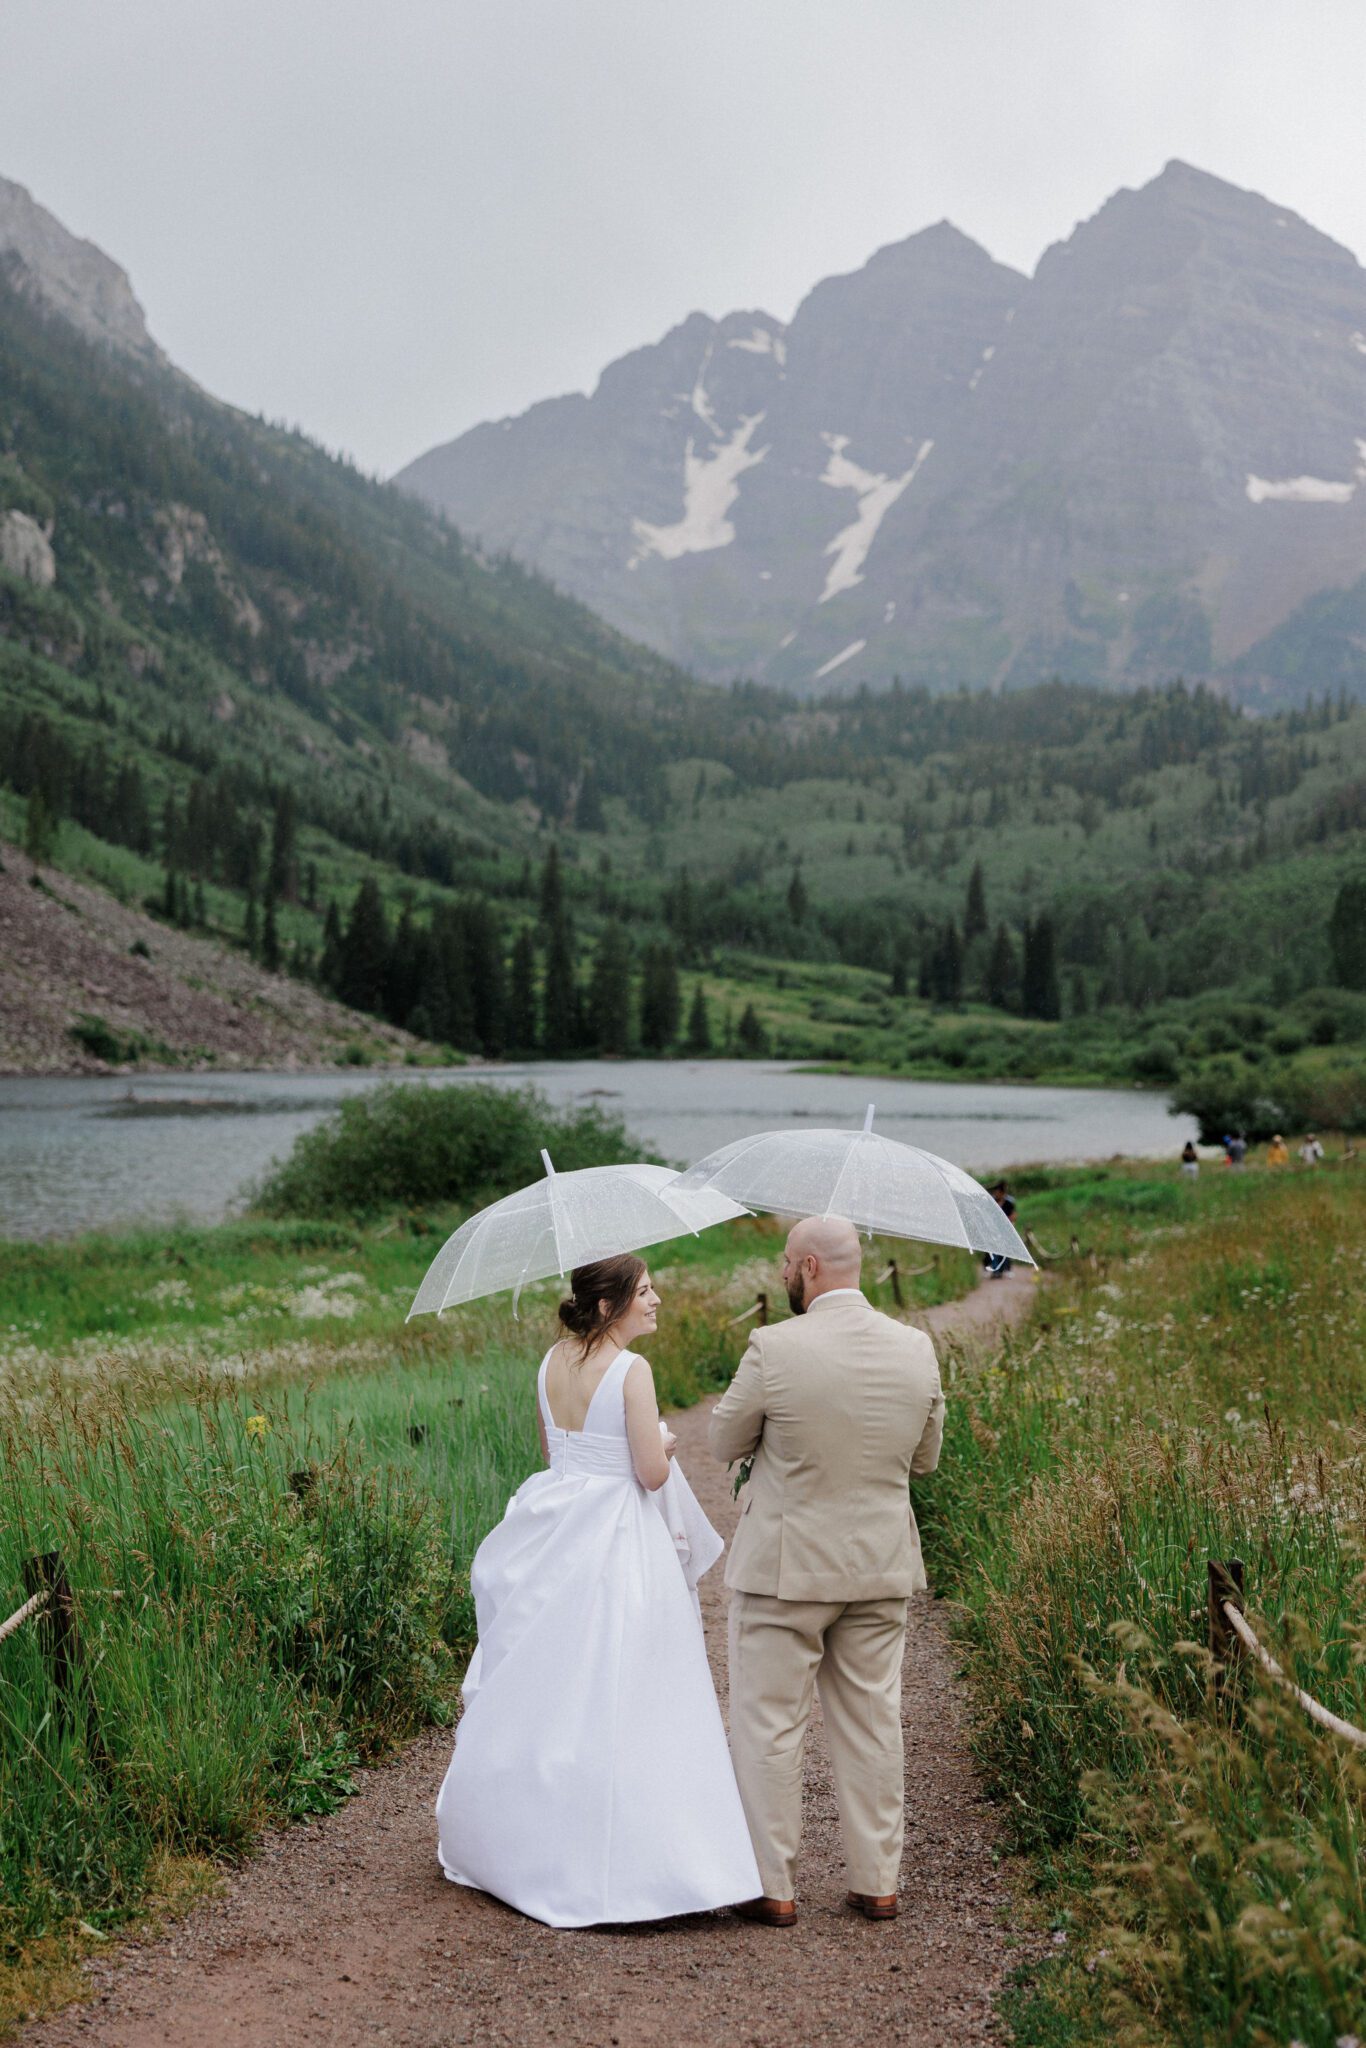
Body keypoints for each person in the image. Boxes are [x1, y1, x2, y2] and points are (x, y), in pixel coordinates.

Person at [436, 1254, 760, 1927]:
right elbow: (645, 1473)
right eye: (645, 1292)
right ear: (610, 1305)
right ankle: (645, 1861)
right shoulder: (632, 1370)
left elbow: (558, 1455)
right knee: (632, 1684)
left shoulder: (551, 1361)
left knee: (552, 1683)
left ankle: (530, 1837)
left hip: (556, 1526)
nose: (658, 1300)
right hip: (617, 1535)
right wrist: (665, 1443)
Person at [709, 1216, 944, 1928]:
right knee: (873, 1721)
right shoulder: (916, 1348)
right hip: (878, 1566)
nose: (783, 1274)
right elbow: (925, 1460)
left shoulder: (774, 1346)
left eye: (786, 1263)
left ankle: (772, 1885)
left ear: (809, 1266)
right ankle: (878, 1882)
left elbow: (723, 1437)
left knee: (768, 1725)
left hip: (786, 1570)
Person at [983, 1179, 1017, 1276]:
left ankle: (1006, 1269)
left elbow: (1013, 1215)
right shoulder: (992, 1201)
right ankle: (994, 1269)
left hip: (1005, 1229)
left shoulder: (1009, 1202)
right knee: (992, 1250)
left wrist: (1008, 1223)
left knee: (1006, 1249)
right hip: (993, 1229)